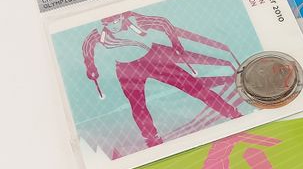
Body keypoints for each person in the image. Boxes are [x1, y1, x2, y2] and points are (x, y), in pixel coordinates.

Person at [82, 11, 242, 147]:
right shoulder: (99, 34)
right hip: (127, 68)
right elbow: (87, 47)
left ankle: (231, 113)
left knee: (194, 86)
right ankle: (152, 138)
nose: (112, 27)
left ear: (121, 17)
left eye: (115, 21)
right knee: (137, 104)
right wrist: (91, 67)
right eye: (108, 24)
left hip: (153, 58)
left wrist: (176, 43)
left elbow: (163, 22)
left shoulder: (136, 20)